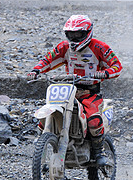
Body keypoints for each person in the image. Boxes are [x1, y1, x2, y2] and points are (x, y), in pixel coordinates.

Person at [27, 15, 123, 166]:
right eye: (71, 34)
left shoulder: (99, 47)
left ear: (87, 32)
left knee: (93, 120)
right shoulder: (63, 47)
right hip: (68, 90)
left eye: (78, 34)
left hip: (90, 93)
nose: (74, 37)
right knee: (45, 115)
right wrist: (36, 70)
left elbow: (117, 66)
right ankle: (43, 148)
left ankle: (99, 153)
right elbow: (48, 59)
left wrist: (105, 73)